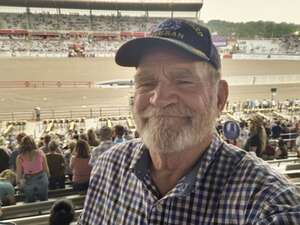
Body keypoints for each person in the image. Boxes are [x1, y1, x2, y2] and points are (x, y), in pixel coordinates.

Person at [79, 19, 300, 225]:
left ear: (219, 98)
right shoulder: (108, 167)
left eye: (183, 81)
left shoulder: (268, 205)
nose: (159, 99)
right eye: (146, 82)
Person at [16, 135, 49, 202]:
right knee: (44, 200)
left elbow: (19, 174)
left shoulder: (20, 157)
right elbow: (46, 169)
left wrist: (18, 183)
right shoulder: (40, 153)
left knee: (30, 201)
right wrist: (48, 178)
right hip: (41, 178)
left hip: (28, 179)